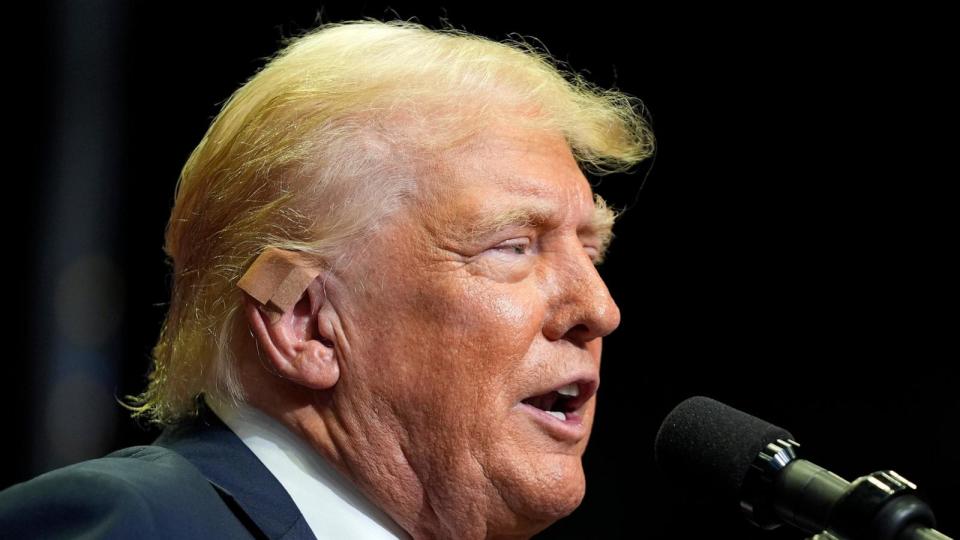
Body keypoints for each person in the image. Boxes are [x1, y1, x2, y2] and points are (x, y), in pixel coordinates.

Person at [0, 18, 654, 539]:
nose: (600, 308)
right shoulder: (136, 526)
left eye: (590, 251)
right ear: (305, 322)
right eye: (514, 247)